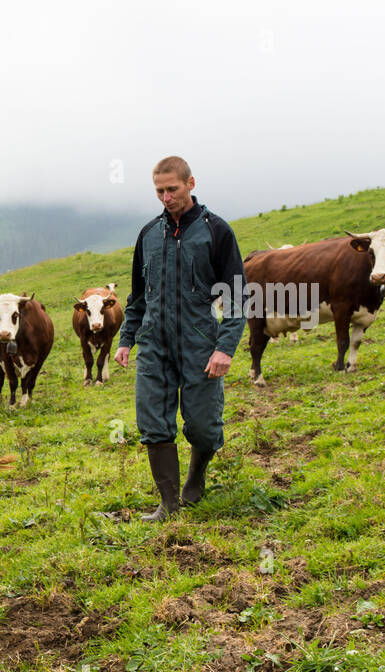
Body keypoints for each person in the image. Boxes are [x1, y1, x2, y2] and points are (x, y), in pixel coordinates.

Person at [114, 156, 247, 520]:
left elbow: (237, 295)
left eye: (172, 189)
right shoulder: (148, 235)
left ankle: (196, 479)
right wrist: (127, 338)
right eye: (159, 190)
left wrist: (225, 347)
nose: (166, 197)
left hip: (200, 341)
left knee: (204, 425)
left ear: (191, 183)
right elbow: (139, 296)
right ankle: (168, 504)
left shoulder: (216, 231)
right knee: (153, 422)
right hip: (154, 343)